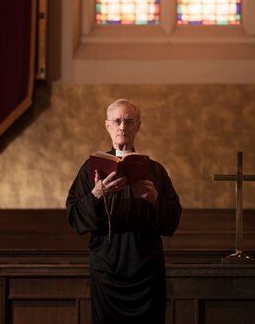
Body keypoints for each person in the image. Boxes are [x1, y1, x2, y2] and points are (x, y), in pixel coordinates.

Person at [66, 99, 182, 324]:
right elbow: (73, 216)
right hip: (107, 269)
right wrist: (97, 195)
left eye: (129, 121)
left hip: (146, 268)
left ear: (137, 126)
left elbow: (174, 219)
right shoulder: (90, 169)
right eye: (117, 121)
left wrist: (155, 199)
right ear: (107, 125)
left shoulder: (155, 171)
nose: (123, 126)